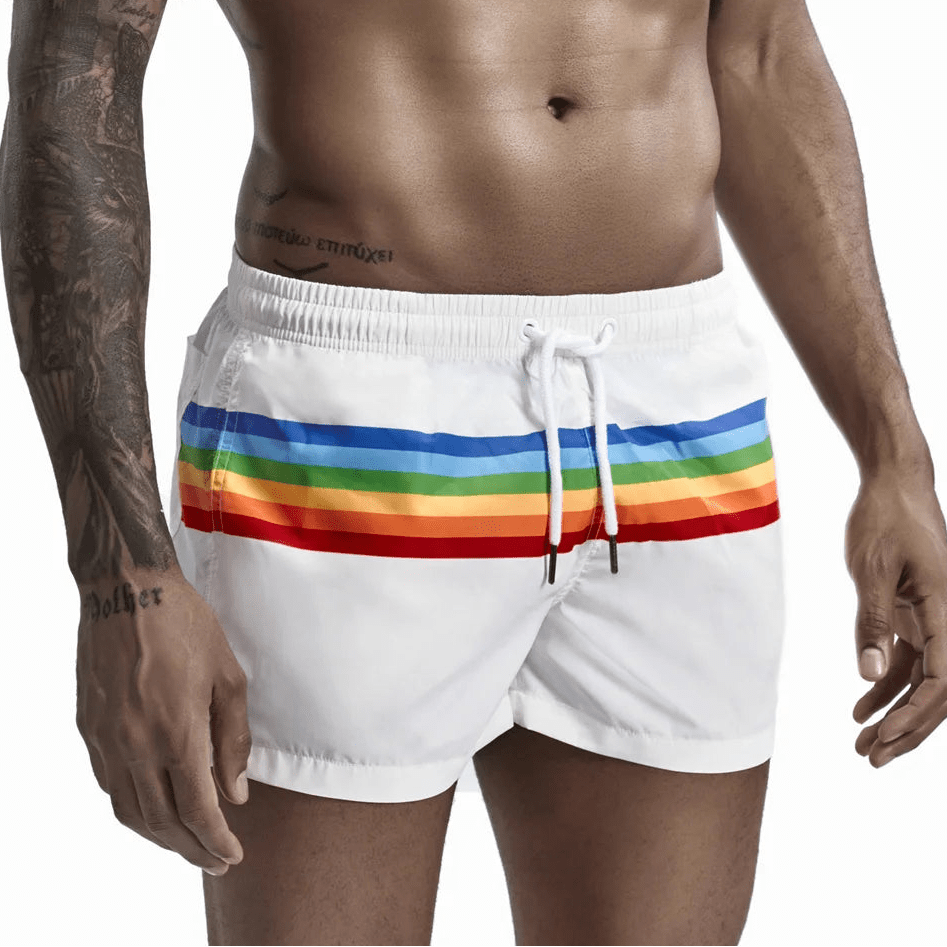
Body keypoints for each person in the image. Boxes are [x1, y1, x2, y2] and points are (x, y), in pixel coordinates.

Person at [2, 1, 945, 945]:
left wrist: (892, 451)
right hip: (358, 422)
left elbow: (761, 51)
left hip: (675, 417)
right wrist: (122, 573)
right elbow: (76, 74)